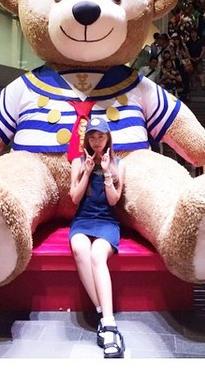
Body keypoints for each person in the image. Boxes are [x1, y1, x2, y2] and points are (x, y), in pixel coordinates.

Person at [69, 117, 126, 358]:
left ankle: (108, 323)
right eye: (92, 137)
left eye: (101, 136)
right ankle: (105, 316)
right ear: (87, 139)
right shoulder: (78, 161)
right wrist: (86, 171)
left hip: (107, 221)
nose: (96, 141)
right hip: (83, 220)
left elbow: (114, 200)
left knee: (96, 254)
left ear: (108, 138)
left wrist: (106, 173)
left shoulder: (118, 163)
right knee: (79, 249)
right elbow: (74, 198)